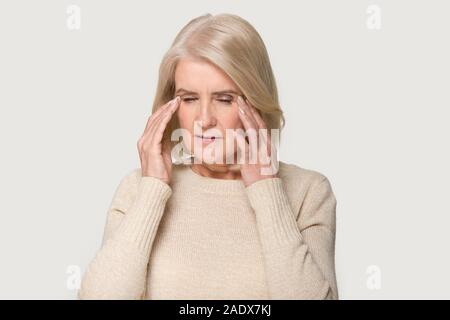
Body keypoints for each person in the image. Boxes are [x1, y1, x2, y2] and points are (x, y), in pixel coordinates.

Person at [78, 13, 338, 300]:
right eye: (189, 99)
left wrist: (266, 189)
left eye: (224, 99)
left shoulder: (308, 192)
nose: (204, 119)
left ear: (257, 101)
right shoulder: (137, 189)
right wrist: (152, 189)